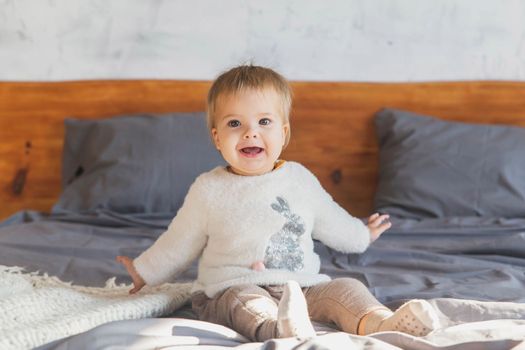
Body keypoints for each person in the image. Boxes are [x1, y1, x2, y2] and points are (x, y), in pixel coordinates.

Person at [117, 64, 441, 341]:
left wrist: (361, 235)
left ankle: (381, 323)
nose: (250, 133)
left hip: (301, 285)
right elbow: (180, 240)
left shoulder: (299, 179)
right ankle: (279, 329)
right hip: (232, 284)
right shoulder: (209, 188)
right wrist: (145, 270)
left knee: (344, 288)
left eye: (264, 122)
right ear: (216, 138)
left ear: (284, 134)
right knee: (244, 303)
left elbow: (330, 218)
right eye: (234, 124)